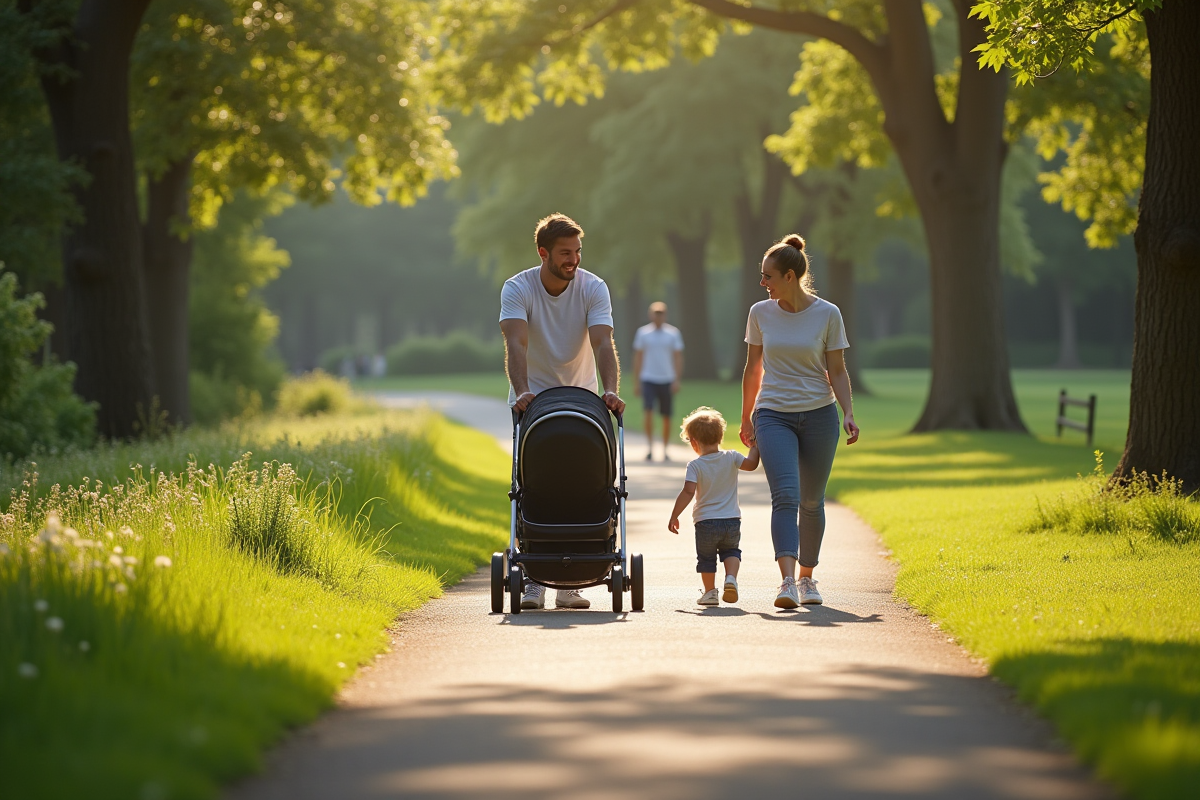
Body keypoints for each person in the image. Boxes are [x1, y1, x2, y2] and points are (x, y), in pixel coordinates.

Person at [499, 212, 626, 610]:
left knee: (582, 486)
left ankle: (569, 583)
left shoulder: (593, 287)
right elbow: (516, 344)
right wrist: (521, 390)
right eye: (565, 253)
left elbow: (603, 343)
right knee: (535, 485)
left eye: (577, 252)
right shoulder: (518, 288)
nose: (573, 259)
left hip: (583, 400)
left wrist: (610, 390)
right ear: (543, 253)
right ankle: (535, 577)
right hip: (532, 403)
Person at [739, 234, 860, 610]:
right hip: (773, 413)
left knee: (811, 501)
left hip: (819, 415)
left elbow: (837, 370)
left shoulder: (828, 314)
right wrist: (747, 416)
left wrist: (848, 412)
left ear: (789, 276)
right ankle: (787, 581)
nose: (763, 283)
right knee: (786, 497)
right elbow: (753, 368)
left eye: (768, 276)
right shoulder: (761, 312)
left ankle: (808, 577)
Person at [668, 407, 760, 607]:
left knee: (706, 558)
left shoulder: (695, 465)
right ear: (720, 437)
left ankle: (710, 593)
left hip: (706, 522)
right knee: (732, 551)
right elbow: (752, 464)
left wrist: (674, 515)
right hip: (731, 520)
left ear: (694, 442)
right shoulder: (732, 457)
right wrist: (755, 444)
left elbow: (688, 492)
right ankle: (731, 579)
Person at [632, 301, 684, 461]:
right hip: (648, 378)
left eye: (661, 313)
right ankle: (649, 446)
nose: (658, 316)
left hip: (666, 378)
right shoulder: (643, 333)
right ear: (651, 314)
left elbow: (677, 357)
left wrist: (676, 379)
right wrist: (637, 381)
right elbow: (638, 357)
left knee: (666, 415)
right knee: (648, 412)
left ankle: (665, 448)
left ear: (665, 315)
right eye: (656, 313)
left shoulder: (673, 333)